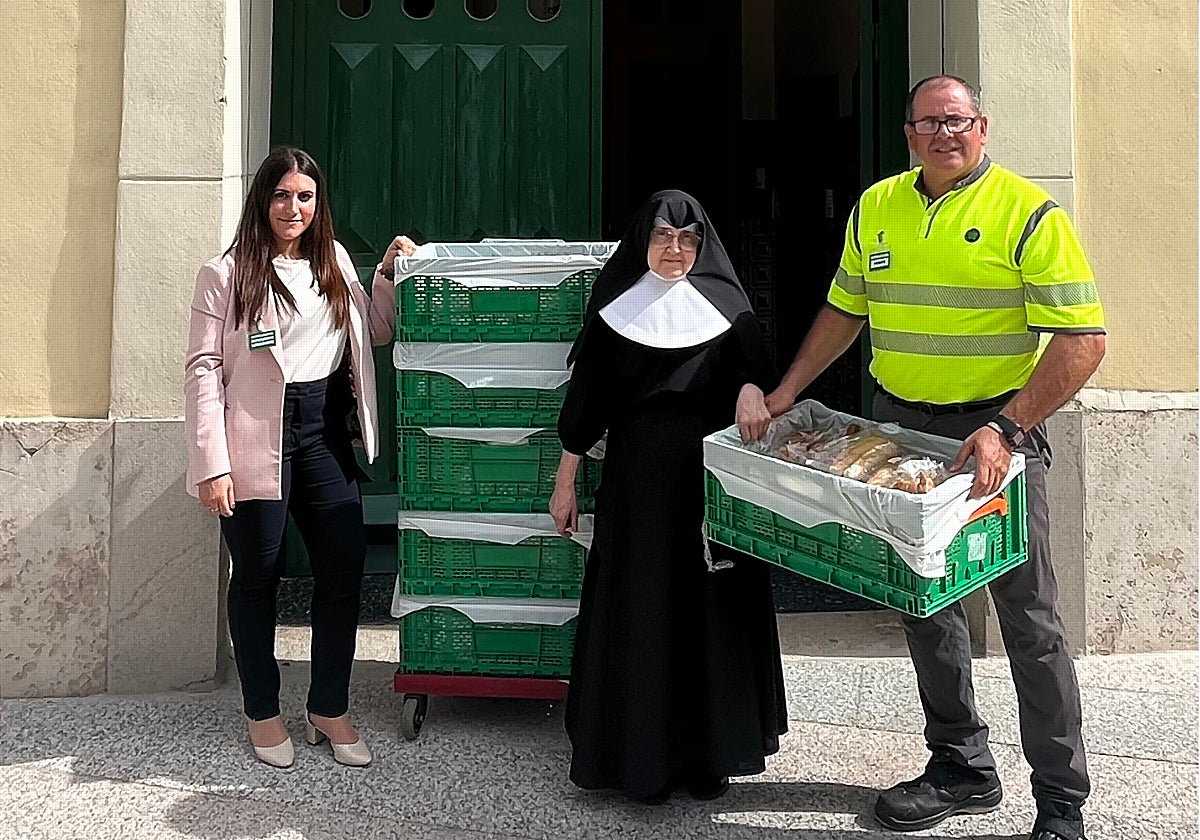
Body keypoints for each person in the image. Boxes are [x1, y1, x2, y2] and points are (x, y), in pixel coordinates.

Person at [739, 76, 1106, 840]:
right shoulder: (877, 206)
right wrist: (786, 391)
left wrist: (1008, 428)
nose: (945, 133)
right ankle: (962, 767)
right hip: (901, 435)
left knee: (1029, 622)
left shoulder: (1028, 213)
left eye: (958, 120)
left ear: (983, 127)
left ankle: (1062, 806)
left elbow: (1083, 341)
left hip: (994, 438)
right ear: (908, 135)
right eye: (929, 122)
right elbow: (846, 309)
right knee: (922, 606)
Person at [550, 190, 788, 804]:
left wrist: (751, 387)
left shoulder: (729, 310)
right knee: (643, 610)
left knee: (711, 612)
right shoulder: (615, 310)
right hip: (638, 488)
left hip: (712, 483)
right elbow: (587, 404)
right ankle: (641, 764)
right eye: (661, 236)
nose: (674, 249)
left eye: (687, 239)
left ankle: (711, 757)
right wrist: (565, 479)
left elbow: (760, 378)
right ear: (641, 242)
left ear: (702, 246)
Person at [184, 146, 416, 768]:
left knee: (342, 565)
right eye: (283, 195)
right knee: (257, 575)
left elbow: (375, 332)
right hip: (256, 436)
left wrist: (389, 275)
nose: (294, 208)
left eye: (306, 197)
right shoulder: (224, 274)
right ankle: (263, 710)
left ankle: (328, 706)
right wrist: (213, 463)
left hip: (323, 434)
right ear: (263, 199)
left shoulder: (334, 261)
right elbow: (205, 369)